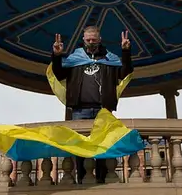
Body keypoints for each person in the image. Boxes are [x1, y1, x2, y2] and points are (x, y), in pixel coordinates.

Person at [51, 26, 133, 183]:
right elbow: (59, 74)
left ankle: (102, 179)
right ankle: (82, 179)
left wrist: (126, 52)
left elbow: (125, 73)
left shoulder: (110, 59)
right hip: (79, 110)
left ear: (99, 39)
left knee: (102, 146)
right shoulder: (75, 58)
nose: (91, 42)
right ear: (83, 40)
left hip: (103, 109)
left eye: (94, 40)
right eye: (88, 40)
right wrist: (57, 55)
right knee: (81, 147)